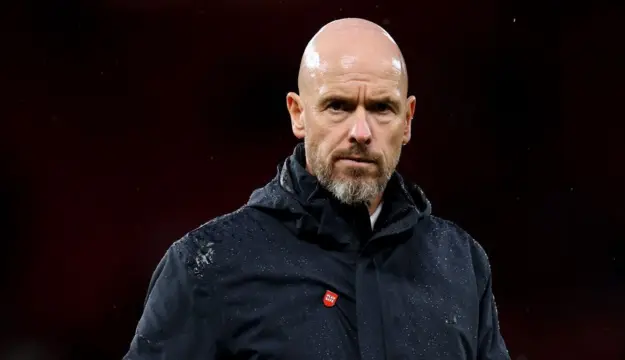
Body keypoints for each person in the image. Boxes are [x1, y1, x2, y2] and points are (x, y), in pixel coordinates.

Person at [123, 17, 510, 360]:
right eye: (338, 106)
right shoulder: (206, 267)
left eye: (381, 109)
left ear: (407, 121)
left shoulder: (460, 264)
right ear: (298, 113)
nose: (361, 132)